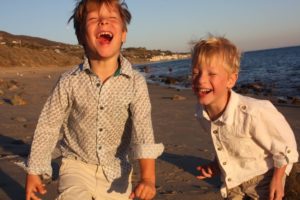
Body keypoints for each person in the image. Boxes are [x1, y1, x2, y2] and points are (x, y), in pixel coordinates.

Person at [25, 0, 164, 199]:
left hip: (117, 172)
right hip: (76, 166)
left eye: (112, 18)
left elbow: (143, 130)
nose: (103, 22)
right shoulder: (69, 81)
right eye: (94, 19)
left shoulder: (136, 82)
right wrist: (34, 171)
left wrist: (148, 178)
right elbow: (48, 125)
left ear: (123, 34)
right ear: (80, 36)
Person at [192, 35, 298, 200]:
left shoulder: (252, 113)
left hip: (265, 175)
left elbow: (285, 147)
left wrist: (278, 180)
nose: (201, 79)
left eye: (211, 73)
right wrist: (216, 165)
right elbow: (224, 140)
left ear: (231, 79)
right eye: (195, 72)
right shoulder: (202, 112)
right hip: (233, 181)